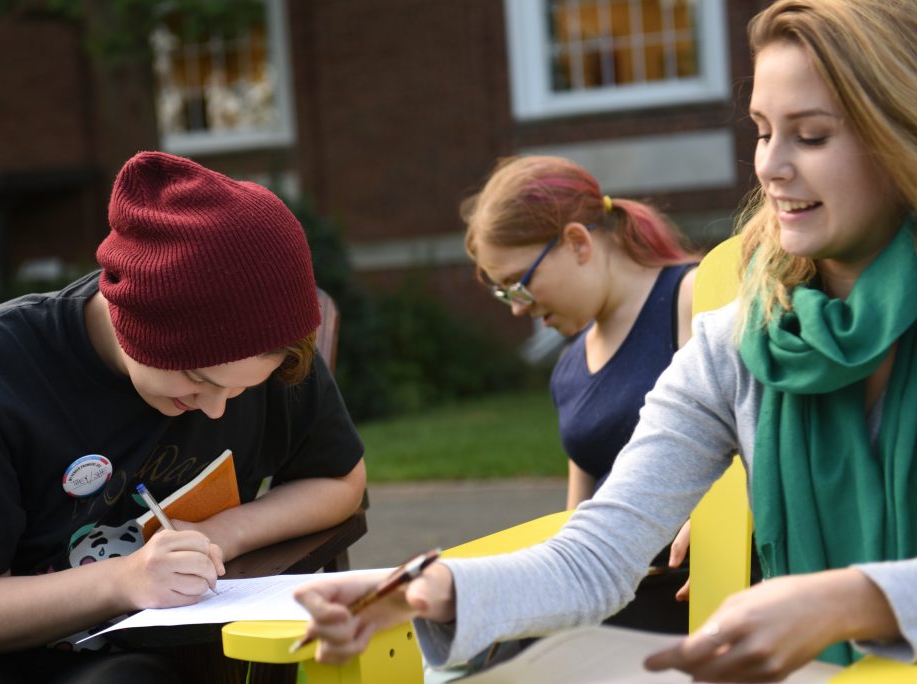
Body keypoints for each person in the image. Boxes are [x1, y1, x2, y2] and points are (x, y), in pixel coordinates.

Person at [293, 0, 917, 680]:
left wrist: (852, 601)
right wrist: (438, 588)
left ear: (898, 135)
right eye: (764, 132)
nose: (771, 165)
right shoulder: (737, 347)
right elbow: (596, 555)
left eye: (812, 136)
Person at [0, 151, 367, 682]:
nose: (216, 408)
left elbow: (339, 479)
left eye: (241, 391)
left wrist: (222, 533)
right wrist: (124, 580)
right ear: (135, 326)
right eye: (199, 380)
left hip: (125, 649)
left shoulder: (262, 346)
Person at [461, 155, 697, 631]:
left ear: (577, 242)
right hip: (616, 596)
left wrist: (719, 518)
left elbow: (758, 434)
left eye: (519, 285)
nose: (517, 309)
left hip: (699, 593)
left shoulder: (693, 298)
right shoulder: (569, 370)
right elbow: (576, 524)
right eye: (505, 295)